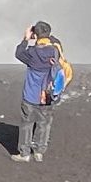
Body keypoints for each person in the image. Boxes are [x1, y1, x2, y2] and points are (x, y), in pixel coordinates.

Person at [13, 22, 61, 162]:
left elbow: (19, 53)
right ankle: (39, 151)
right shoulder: (54, 50)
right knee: (44, 123)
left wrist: (26, 38)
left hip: (31, 94)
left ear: (35, 34)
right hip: (48, 93)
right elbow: (56, 46)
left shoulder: (32, 53)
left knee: (27, 124)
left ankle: (25, 153)